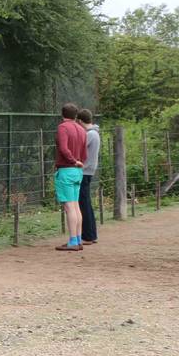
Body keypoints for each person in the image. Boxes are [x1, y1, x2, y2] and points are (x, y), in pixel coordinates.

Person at [54, 103, 87, 251]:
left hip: (67, 170)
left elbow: (63, 148)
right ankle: (78, 239)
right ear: (75, 115)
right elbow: (85, 152)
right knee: (76, 205)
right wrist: (79, 162)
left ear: (63, 114)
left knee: (69, 206)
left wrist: (72, 160)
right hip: (78, 171)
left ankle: (73, 241)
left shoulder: (63, 127)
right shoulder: (81, 129)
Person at [78, 109, 100, 245]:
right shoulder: (94, 133)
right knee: (86, 203)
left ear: (80, 121)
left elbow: (79, 147)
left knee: (83, 204)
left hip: (85, 171)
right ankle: (91, 234)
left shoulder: (90, 134)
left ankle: (87, 236)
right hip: (88, 171)